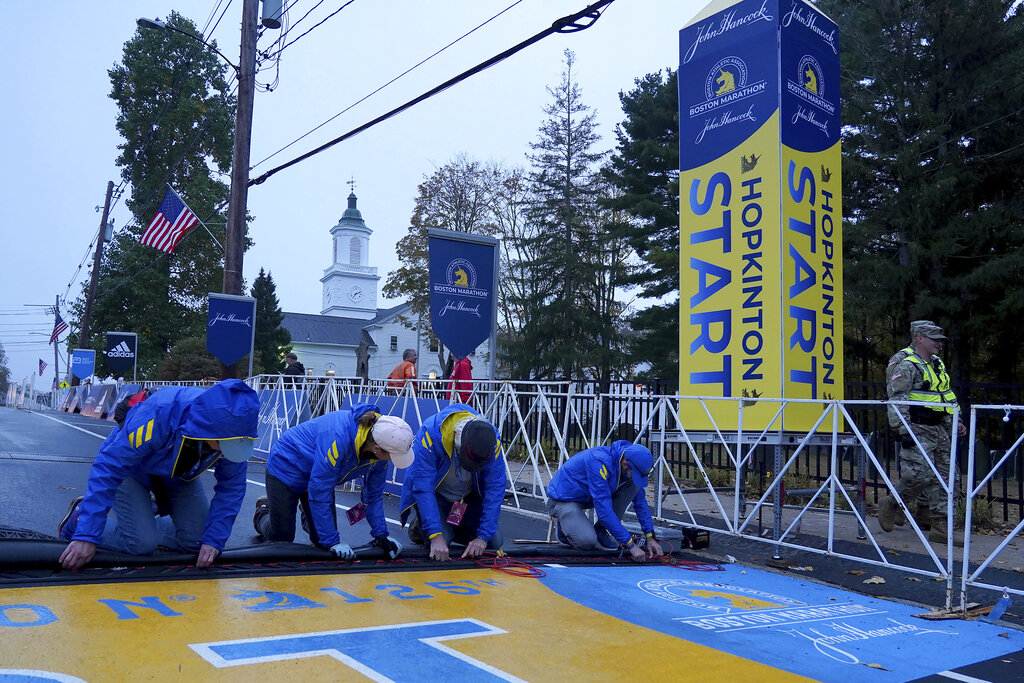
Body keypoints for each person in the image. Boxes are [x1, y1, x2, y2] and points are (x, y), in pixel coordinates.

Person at [57, 379, 260, 570]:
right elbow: (110, 466)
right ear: (207, 430)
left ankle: (142, 518)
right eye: (222, 445)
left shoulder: (236, 431)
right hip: (132, 470)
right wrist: (86, 534)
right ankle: (77, 519)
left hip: (178, 474)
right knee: (141, 545)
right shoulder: (161, 412)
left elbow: (232, 487)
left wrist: (214, 539)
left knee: (201, 541)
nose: (225, 453)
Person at [252, 405, 413, 559]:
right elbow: (320, 492)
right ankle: (263, 513)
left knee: (320, 541)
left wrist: (382, 535)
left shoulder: (381, 450)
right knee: (282, 539)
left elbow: (373, 496)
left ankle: (307, 509)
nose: (393, 461)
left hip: (319, 476)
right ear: (377, 448)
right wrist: (332, 541)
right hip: (287, 467)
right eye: (393, 456)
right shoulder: (338, 439)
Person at [880, 320, 967, 545]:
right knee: (920, 475)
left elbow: (945, 395)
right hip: (917, 426)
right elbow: (897, 398)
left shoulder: (937, 364)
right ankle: (893, 503)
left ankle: (941, 527)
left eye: (940, 339)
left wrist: (955, 420)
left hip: (939, 427)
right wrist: (901, 429)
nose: (939, 343)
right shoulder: (904, 363)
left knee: (950, 478)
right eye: (934, 339)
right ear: (919, 338)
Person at [399, 404, 506, 561]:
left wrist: (482, 537)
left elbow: (495, 488)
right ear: (456, 437)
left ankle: (450, 526)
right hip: (437, 496)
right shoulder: (431, 433)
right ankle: (424, 526)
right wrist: (435, 535)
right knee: (442, 542)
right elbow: (423, 488)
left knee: (494, 542)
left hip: (468, 497)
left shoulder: (491, 440)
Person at [545, 441, 665, 563]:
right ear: (625, 464)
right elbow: (604, 510)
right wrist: (630, 545)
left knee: (634, 486)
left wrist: (650, 536)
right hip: (563, 500)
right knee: (587, 542)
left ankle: (600, 530)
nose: (637, 477)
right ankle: (564, 525)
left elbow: (640, 503)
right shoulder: (599, 463)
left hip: (588, 497)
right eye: (635, 474)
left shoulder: (629, 462)